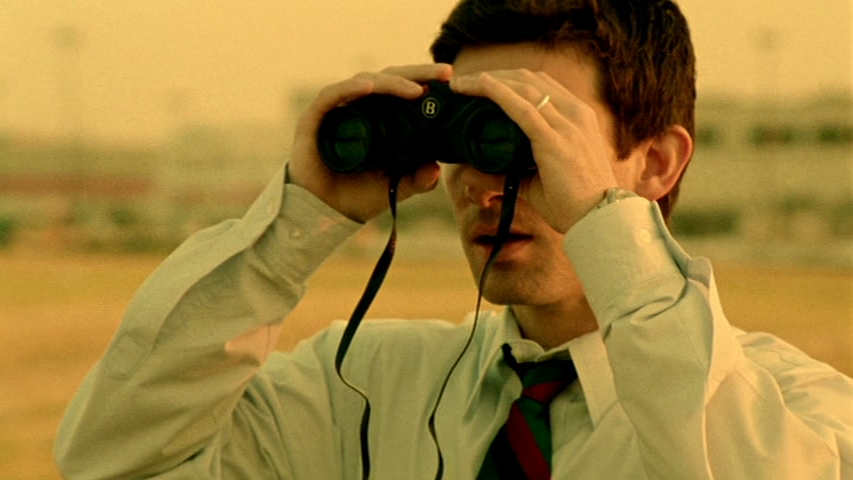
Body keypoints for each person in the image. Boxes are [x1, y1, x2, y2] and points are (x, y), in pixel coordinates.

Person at [55, 0, 853, 478]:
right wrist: (293, 222)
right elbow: (115, 460)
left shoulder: (796, 413)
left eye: (532, 136)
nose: (483, 182)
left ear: (655, 163)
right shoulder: (361, 386)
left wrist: (607, 229)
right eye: (471, 137)